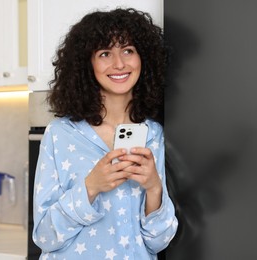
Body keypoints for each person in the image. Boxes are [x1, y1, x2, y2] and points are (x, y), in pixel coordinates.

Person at [32, 8, 178, 260]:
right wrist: (91, 187)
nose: (119, 63)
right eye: (105, 53)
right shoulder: (60, 134)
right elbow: (45, 237)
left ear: (144, 57)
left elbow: (158, 243)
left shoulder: (154, 135)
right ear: (87, 63)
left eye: (128, 50)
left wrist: (154, 187)